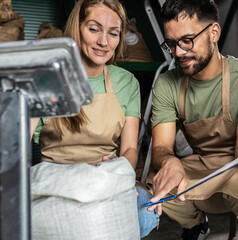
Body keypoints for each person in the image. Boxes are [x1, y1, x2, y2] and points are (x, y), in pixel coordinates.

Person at [145, 0, 238, 240]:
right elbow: (161, 147)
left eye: (187, 40)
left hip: (237, 165)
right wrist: (170, 161)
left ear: (214, 32)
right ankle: (196, 225)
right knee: (154, 188)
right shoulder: (167, 84)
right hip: (200, 166)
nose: (178, 52)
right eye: (171, 44)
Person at [30, 0, 158, 238]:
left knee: (146, 211)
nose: (103, 42)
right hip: (56, 181)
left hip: (105, 177)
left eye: (113, 33)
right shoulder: (47, 78)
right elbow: (17, 144)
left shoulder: (126, 82)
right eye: (94, 29)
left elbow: (130, 148)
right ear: (77, 29)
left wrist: (117, 169)